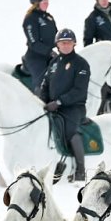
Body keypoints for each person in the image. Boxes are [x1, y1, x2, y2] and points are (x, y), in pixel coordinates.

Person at [35, 29, 91, 181]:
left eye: (68, 42)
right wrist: (42, 101)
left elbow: (79, 90)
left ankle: (80, 170)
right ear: (57, 45)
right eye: (62, 43)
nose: (65, 45)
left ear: (74, 44)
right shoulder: (54, 63)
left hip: (74, 107)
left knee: (70, 131)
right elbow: (45, 85)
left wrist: (60, 102)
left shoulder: (81, 64)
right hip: (53, 106)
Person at [20, 0, 58, 86]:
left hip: (49, 55)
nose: (47, 3)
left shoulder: (49, 18)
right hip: (36, 58)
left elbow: (56, 36)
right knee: (42, 84)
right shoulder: (30, 19)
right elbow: (34, 43)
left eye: (47, 0)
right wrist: (49, 52)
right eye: (43, 1)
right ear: (36, 3)